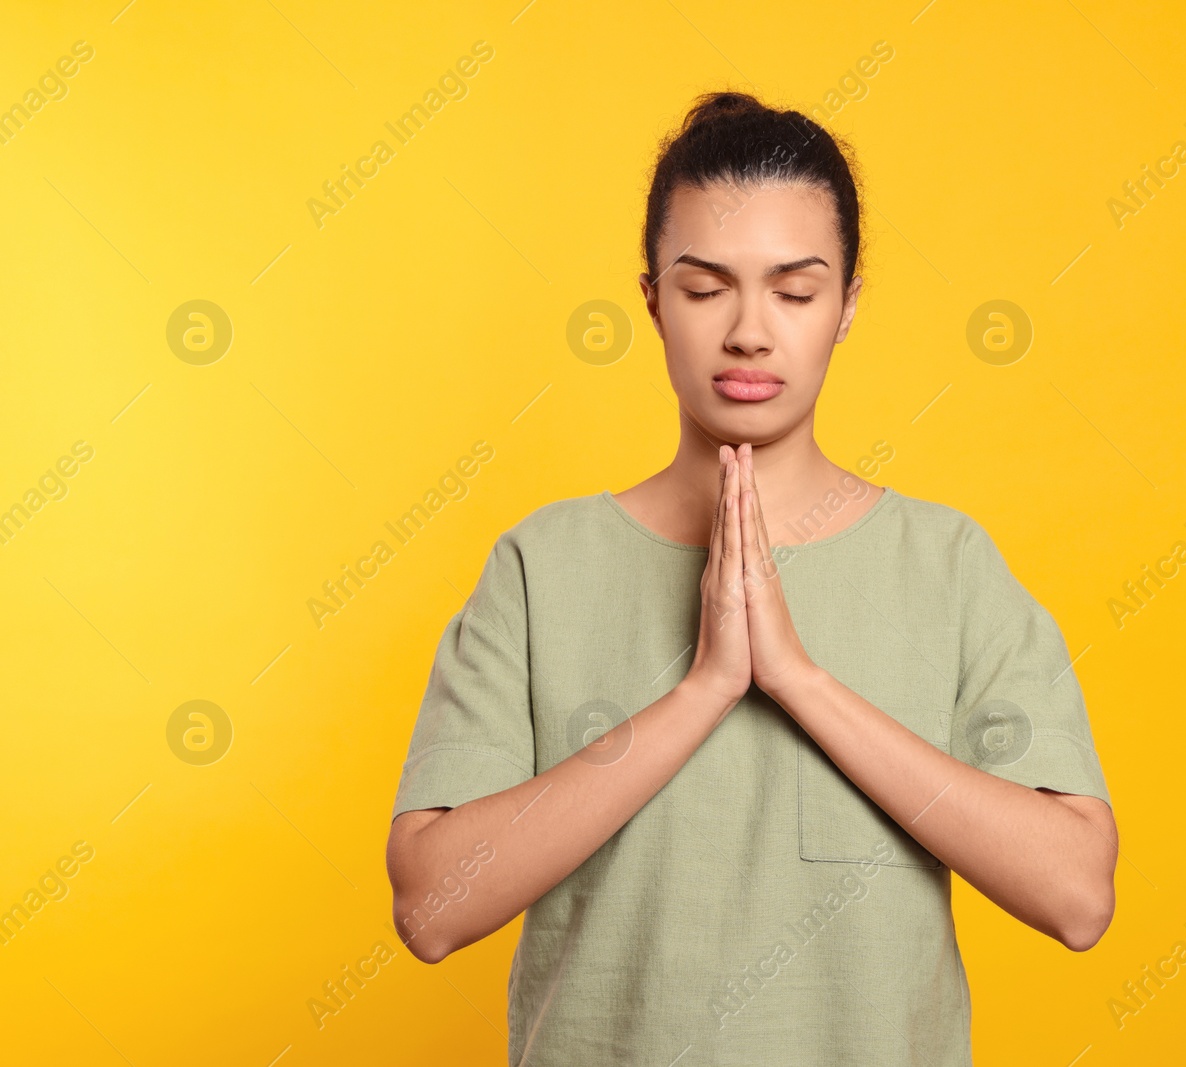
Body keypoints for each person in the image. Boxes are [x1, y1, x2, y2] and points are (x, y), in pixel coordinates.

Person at [384, 89, 1118, 1067]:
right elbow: (430, 906)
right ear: (651, 298)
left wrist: (799, 680)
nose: (748, 332)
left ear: (848, 303)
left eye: (795, 289)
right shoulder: (540, 565)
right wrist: (706, 687)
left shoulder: (947, 563)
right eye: (704, 288)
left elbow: (1076, 895)